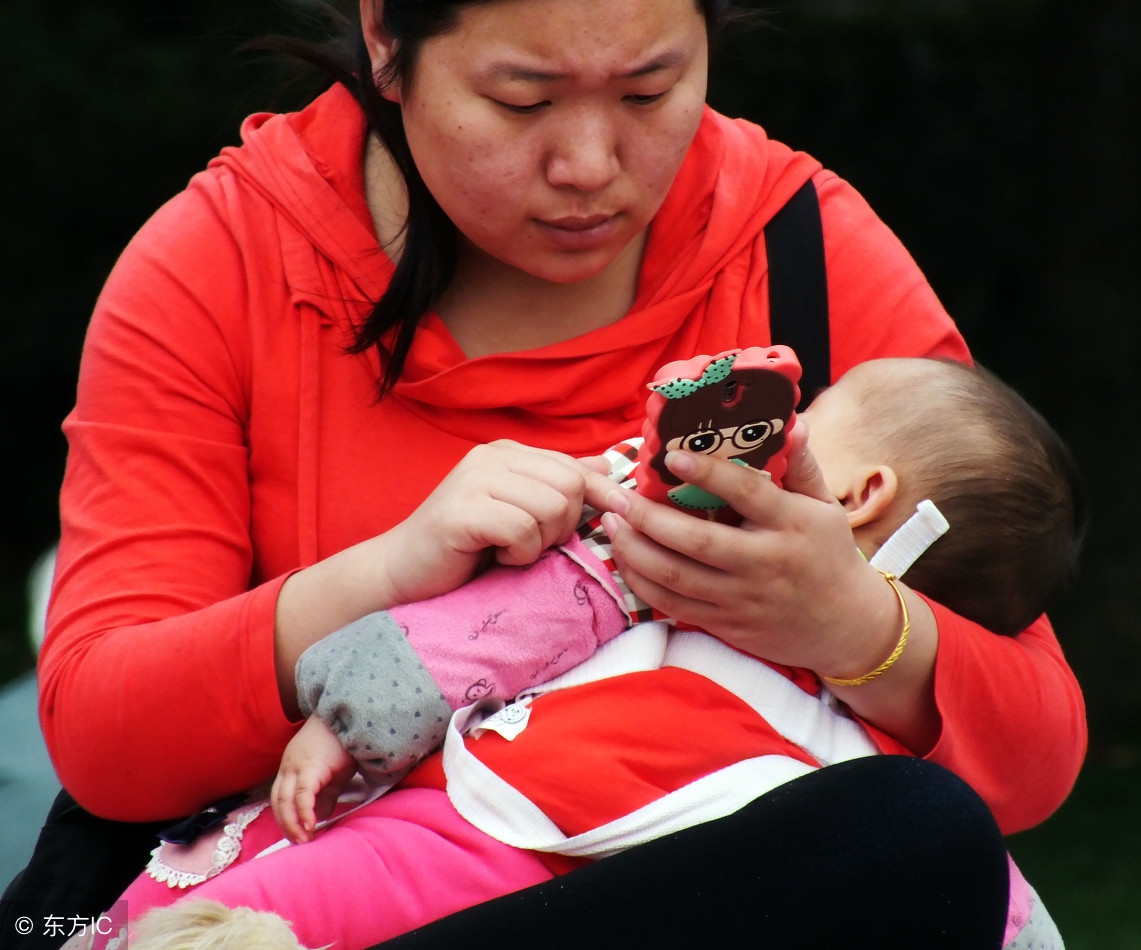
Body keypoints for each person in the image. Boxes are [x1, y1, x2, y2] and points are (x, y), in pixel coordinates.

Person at [25, 0, 1085, 946]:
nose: (589, 162)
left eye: (647, 90)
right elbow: (106, 738)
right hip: (326, 890)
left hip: (663, 890)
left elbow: (1036, 745)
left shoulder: (799, 242)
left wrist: (849, 622)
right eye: (522, 99)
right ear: (388, 41)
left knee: (914, 833)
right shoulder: (222, 261)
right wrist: (389, 570)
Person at [77, 355, 1080, 950]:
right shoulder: (646, 563)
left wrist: (863, 633)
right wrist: (352, 707)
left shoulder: (849, 727)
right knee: (261, 896)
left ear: (858, 494)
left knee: (285, 902)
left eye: (803, 422)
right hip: (492, 834)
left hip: (497, 846)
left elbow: (503, 626)